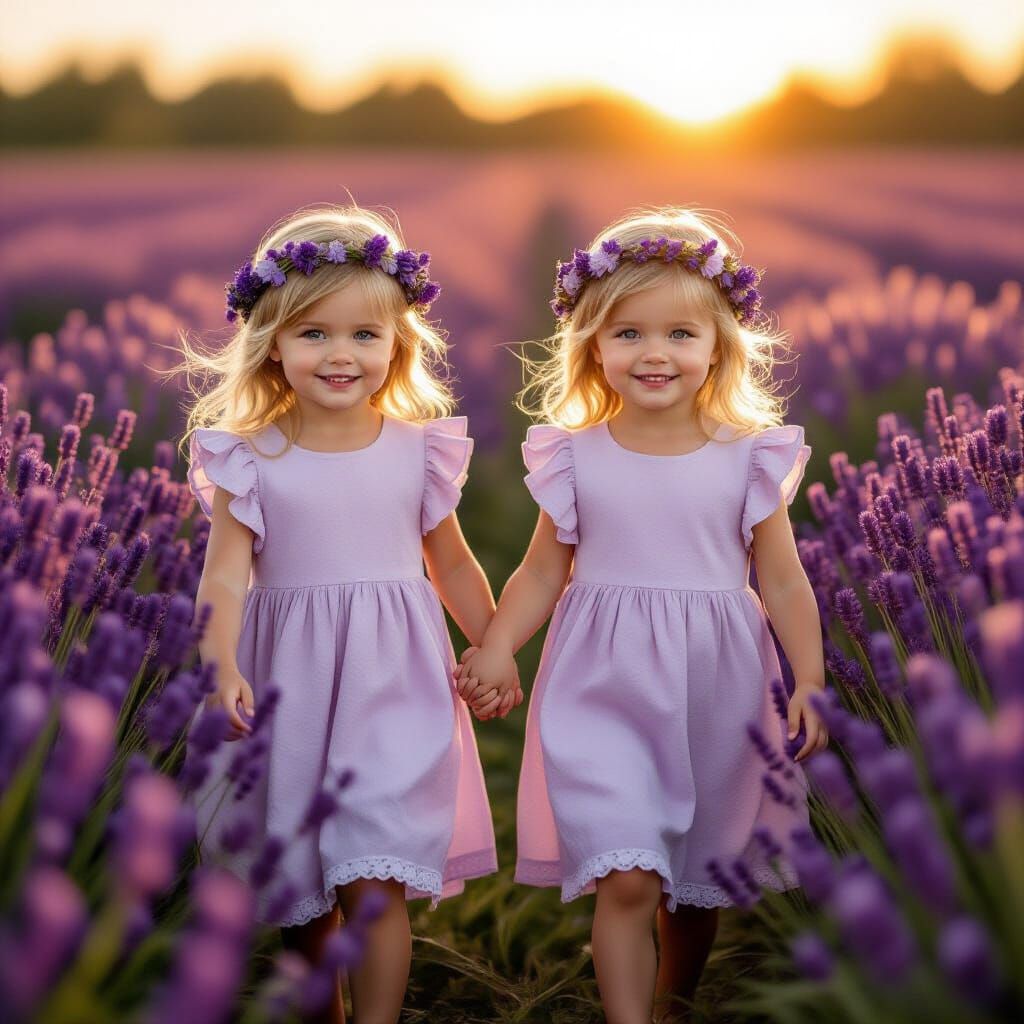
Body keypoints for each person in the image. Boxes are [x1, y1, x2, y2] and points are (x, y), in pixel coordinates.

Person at [456, 207, 828, 1024]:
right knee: (627, 870)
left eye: (679, 335)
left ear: (720, 345)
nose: (653, 353)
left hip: (718, 687)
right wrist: (494, 646)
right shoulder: (576, 453)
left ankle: (674, 1003)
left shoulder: (748, 454)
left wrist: (809, 681)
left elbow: (786, 580)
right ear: (591, 343)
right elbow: (540, 569)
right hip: (604, 682)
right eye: (627, 333)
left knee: (695, 882)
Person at [179, 203, 499, 1024]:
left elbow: (453, 561)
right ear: (272, 342)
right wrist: (221, 668)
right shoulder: (248, 455)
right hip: (289, 683)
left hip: (395, 679)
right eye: (313, 334)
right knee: (302, 881)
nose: (340, 354)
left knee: (378, 871)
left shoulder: (416, 448)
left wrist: (493, 646)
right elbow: (223, 578)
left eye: (365, 335)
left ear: (398, 344)